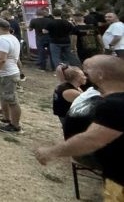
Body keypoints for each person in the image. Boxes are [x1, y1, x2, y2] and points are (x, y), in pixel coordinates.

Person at [35, 55, 124, 199]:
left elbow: (92, 139)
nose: (84, 73)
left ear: (100, 75)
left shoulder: (114, 105)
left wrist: (51, 151)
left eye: (87, 70)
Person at [0, 18, 23, 132]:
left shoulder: (2, 39)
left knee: (11, 100)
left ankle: (15, 125)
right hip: (8, 73)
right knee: (5, 97)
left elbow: (1, 59)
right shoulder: (11, 38)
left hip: (7, 74)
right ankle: (7, 118)